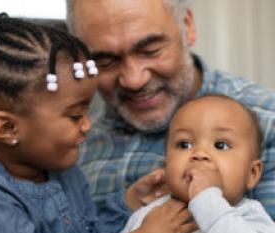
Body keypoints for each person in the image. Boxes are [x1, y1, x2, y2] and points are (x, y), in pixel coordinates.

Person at [0, 5, 198, 233]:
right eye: (74, 116)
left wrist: (127, 203)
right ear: (8, 128)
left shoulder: (60, 169)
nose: (88, 124)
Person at [65, 0, 275, 219]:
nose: (134, 80)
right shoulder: (68, 144)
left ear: (187, 27)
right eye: (106, 62)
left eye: (150, 51)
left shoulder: (267, 121)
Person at [120, 95, 275, 233]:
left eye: (220, 145)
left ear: (252, 174)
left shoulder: (250, 217)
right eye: (184, 144)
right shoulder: (148, 215)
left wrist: (207, 198)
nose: (200, 154)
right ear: (166, 164)